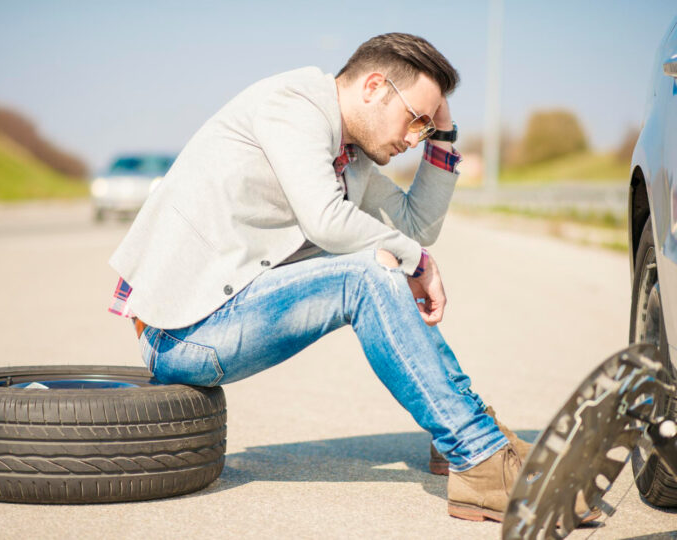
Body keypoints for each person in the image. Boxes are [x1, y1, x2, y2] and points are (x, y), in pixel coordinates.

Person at [107, 32, 591, 523]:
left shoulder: (351, 156)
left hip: (227, 313)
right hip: (182, 332)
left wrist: (443, 137)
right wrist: (416, 263)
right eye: (417, 120)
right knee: (366, 274)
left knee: (381, 261)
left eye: (426, 128)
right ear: (374, 86)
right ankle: (479, 455)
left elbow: (417, 226)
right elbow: (327, 219)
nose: (413, 137)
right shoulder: (292, 107)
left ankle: (475, 438)